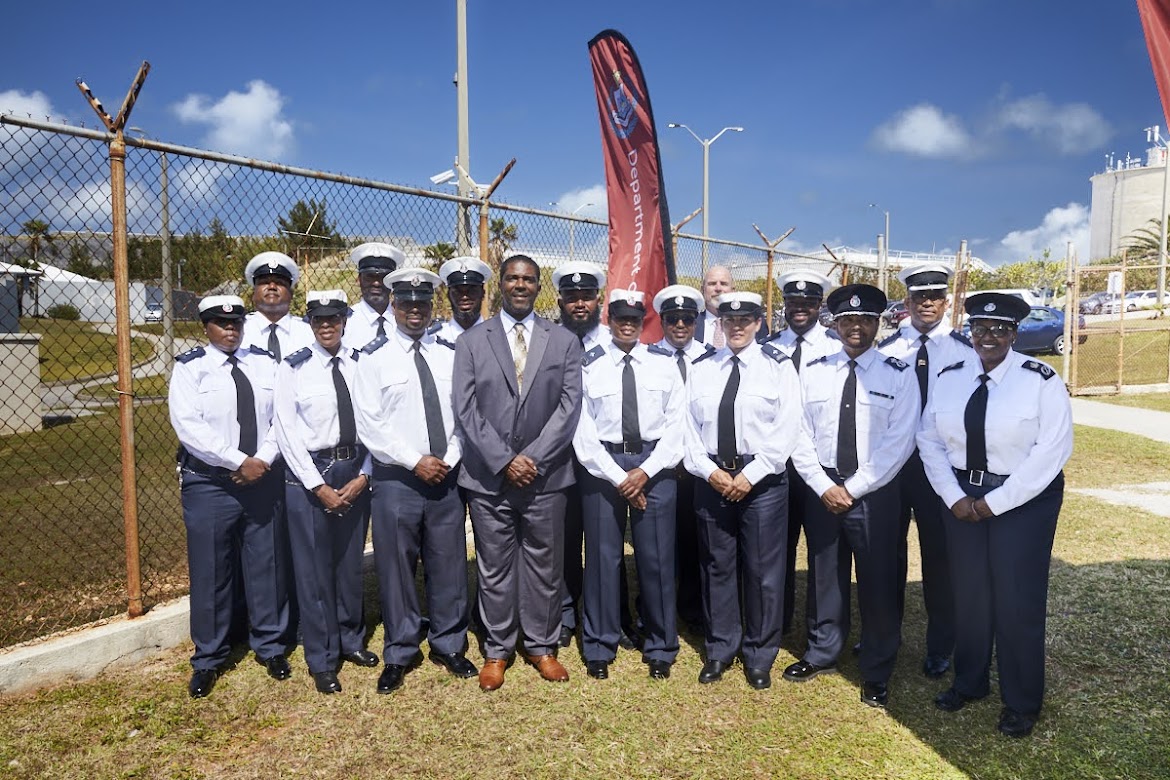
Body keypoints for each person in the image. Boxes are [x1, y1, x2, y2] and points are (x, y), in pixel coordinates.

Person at [918, 292, 1072, 738]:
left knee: (1017, 600)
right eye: (980, 329)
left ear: (1014, 334)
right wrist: (953, 496)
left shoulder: (1040, 380)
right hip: (962, 496)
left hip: (1023, 500)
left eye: (1000, 329)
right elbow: (929, 439)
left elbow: (1051, 452)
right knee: (969, 594)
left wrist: (994, 503)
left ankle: (1021, 700)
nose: (988, 337)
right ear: (970, 332)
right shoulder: (950, 376)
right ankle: (970, 682)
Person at [453, 254, 584, 691]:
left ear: (539, 286)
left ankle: (542, 646)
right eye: (512, 278)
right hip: (489, 478)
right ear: (501, 285)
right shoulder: (472, 341)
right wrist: (505, 460)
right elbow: (466, 408)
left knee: (545, 565)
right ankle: (497, 649)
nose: (520, 285)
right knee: (494, 567)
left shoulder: (563, 341)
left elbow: (569, 407)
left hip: (546, 478)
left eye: (528, 279)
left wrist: (534, 459)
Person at [785, 284, 919, 709]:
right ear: (835, 324)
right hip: (823, 487)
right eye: (847, 320)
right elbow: (798, 432)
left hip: (875, 490)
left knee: (879, 580)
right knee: (825, 573)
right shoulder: (814, 371)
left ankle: (877, 668)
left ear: (878, 324)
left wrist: (854, 487)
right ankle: (822, 651)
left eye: (864, 320)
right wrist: (822, 484)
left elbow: (900, 441)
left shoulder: (898, 374)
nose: (855, 327)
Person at [353, 269, 477, 694]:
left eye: (422, 303)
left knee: (449, 564)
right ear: (393, 304)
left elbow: (464, 413)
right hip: (397, 480)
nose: (414, 310)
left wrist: (448, 458)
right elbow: (370, 424)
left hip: (445, 475)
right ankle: (401, 650)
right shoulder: (373, 357)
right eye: (406, 303)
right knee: (396, 568)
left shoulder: (449, 353)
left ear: (431, 305)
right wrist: (414, 461)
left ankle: (449, 644)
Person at [169, 295, 290, 699]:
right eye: (221, 324)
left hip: (262, 478)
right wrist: (239, 461)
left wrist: (263, 459)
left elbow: (281, 418)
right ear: (205, 326)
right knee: (211, 571)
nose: (230, 330)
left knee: (267, 565)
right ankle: (209, 657)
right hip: (211, 483)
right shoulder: (191, 368)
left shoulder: (265, 363)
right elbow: (189, 428)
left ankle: (271, 646)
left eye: (236, 322)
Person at [683, 291, 801, 690]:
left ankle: (759, 654)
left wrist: (752, 474)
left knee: (763, 571)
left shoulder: (778, 366)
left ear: (758, 323)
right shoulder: (702, 368)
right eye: (729, 321)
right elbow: (687, 427)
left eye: (745, 320)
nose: (736, 327)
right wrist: (708, 471)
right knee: (717, 566)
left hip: (762, 481)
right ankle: (720, 648)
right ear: (720, 324)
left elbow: (788, 426)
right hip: (713, 477)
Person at [573, 290, 685, 680]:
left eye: (634, 320)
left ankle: (661, 646)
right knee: (603, 559)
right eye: (620, 318)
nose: (627, 325)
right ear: (609, 320)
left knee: (656, 559)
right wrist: (620, 477)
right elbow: (582, 431)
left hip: (654, 465)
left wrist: (645, 472)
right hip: (603, 467)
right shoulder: (590, 365)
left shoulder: (664, 364)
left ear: (643, 323)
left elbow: (677, 426)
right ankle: (599, 645)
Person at [273, 290, 376, 695]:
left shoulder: (361, 363)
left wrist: (365, 475)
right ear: (310, 323)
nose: (327, 326)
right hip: (310, 473)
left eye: (334, 318)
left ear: (345, 321)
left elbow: (376, 421)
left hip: (355, 469)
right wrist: (316, 485)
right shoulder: (294, 368)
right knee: (314, 571)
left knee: (349, 564)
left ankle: (351, 639)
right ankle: (322, 657)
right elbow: (286, 431)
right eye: (319, 320)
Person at [877, 263, 974, 679]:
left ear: (946, 301)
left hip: (941, 468)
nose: (927, 303)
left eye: (935, 296)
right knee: (886, 554)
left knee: (940, 557)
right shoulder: (887, 350)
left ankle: (941, 644)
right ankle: (884, 635)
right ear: (908, 300)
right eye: (920, 296)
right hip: (893, 466)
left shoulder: (964, 351)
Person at [550, 261, 638, 650]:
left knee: (608, 541)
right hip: (559, 457)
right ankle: (566, 614)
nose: (579, 303)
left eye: (586, 296)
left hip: (604, 459)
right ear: (560, 301)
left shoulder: (614, 339)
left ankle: (617, 616)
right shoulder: (549, 340)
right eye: (572, 297)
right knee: (565, 538)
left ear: (598, 301)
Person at [768, 269, 840, 637]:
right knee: (776, 548)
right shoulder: (767, 347)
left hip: (818, 466)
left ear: (819, 305)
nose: (800, 308)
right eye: (793, 302)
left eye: (808, 302)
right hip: (776, 464)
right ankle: (775, 623)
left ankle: (821, 630)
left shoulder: (836, 347)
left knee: (823, 552)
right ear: (784, 304)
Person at [650, 283, 712, 632]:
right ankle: (653, 609)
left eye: (687, 319)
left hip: (698, 468)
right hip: (661, 465)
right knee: (658, 543)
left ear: (695, 321)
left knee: (695, 540)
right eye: (672, 319)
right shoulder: (646, 357)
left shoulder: (710, 357)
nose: (679, 326)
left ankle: (692, 608)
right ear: (662, 320)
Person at [241, 251, 314, 361]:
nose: (272, 287)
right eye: (264, 282)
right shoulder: (239, 330)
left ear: (291, 294)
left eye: (279, 282)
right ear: (253, 293)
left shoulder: (309, 332)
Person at [343, 242, 403, 350]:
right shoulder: (345, 322)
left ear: (392, 282)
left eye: (383, 277)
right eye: (369, 277)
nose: (376, 283)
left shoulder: (404, 321)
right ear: (359, 280)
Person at [694, 265, 770, 346]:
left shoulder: (754, 323)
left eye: (724, 284)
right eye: (712, 284)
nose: (718, 288)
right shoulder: (690, 324)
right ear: (702, 290)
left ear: (733, 290)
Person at [433, 256, 493, 341]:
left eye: (471, 291)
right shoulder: (434, 340)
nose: (464, 297)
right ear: (448, 295)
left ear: (483, 294)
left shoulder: (498, 338)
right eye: (457, 292)